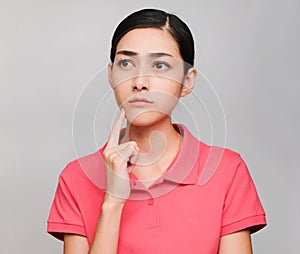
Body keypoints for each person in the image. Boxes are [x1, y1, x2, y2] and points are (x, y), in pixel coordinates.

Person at [47, 8, 267, 254]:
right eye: (126, 63)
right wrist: (113, 202)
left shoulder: (227, 170)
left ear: (187, 81)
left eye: (160, 65)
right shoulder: (76, 177)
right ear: (111, 74)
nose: (140, 82)